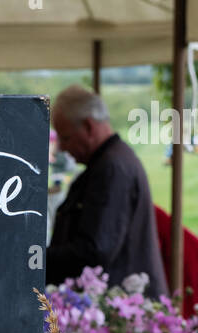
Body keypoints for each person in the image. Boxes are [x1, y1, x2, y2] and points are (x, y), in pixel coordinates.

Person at [47, 86, 167, 296]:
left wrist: (36, 261)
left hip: (121, 310)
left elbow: (94, 251)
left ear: (88, 127)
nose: (62, 149)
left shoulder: (111, 168)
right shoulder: (109, 162)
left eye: (65, 138)